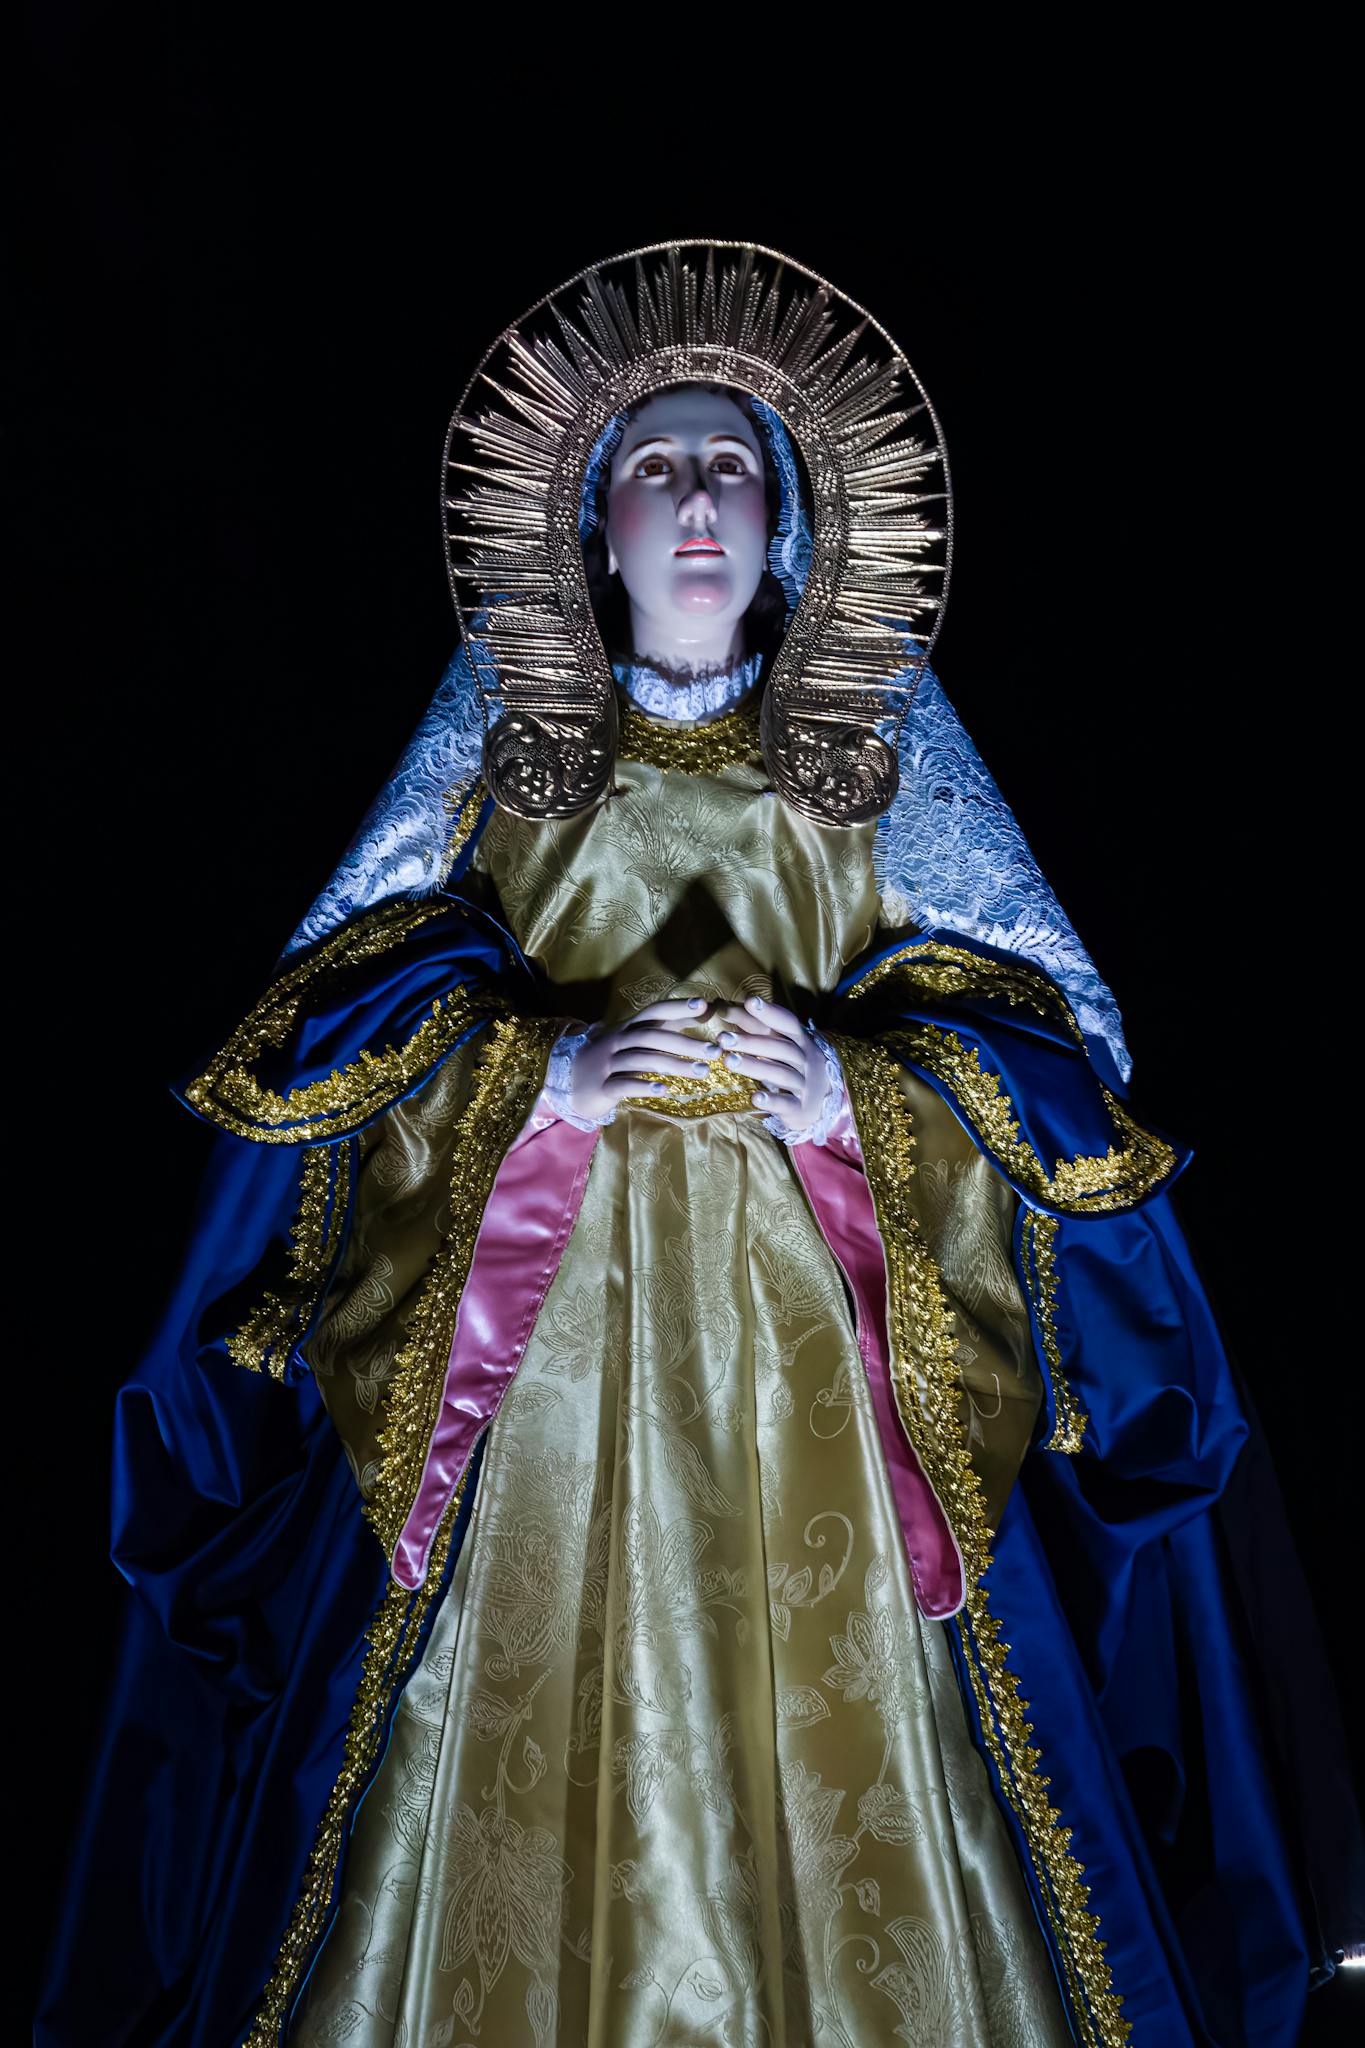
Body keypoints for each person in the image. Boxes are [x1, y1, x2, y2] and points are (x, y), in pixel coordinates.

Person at [36, 242, 1363, 2048]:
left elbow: (1054, 1053)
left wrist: (862, 1097)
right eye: (656, 464)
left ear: (787, 515)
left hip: (819, 1359)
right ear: (591, 519)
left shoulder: (869, 758)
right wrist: (539, 1076)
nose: (693, 502)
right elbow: (323, 1042)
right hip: (550, 1373)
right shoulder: (508, 760)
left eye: (730, 465)